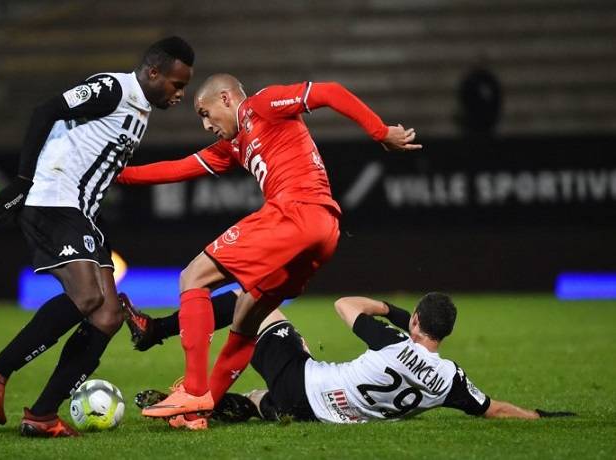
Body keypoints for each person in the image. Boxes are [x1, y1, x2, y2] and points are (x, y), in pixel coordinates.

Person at [117, 74, 422, 429]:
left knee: (193, 277)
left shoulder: (261, 106)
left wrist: (379, 131)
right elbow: (178, 168)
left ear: (228, 98)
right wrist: (120, 176)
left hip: (295, 213)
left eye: (205, 112)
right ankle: (201, 410)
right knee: (247, 315)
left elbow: (329, 92)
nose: (205, 125)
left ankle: (195, 389)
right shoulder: (234, 146)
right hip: (324, 231)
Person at [0, 36, 205, 438]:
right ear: (152, 72)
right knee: (87, 297)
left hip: (83, 215)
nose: (180, 94)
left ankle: (42, 414)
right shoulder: (112, 89)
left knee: (108, 316)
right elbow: (46, 111)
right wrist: (23, 182)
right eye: (176, 84)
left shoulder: (141, 111)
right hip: (54, 200)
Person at [123, 293, 575, 424]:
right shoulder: (449, 381)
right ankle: (238, 406)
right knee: (267, 393)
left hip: (305, 386)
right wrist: (540, 414)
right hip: (321, 414)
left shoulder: (394, 343)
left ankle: (156, 333)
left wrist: (396, 314)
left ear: (417, 322)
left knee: (253, 302)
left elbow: (345, 305)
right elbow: (492, 407)